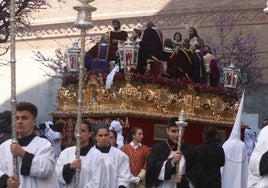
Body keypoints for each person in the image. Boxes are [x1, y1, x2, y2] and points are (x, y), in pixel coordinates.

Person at [0, 102, 59, 188]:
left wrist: (23, 154)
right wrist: (6, 180)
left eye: (24, 118)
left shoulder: (44, 145)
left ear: (34, 121)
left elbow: (47, 169)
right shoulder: (4, 146)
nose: (19, 121)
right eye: (17, 118)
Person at [146, 117, 195, 188]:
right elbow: (151, 171)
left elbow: (196, 174)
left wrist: (183, 179)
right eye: (173, 131)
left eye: (179, 131)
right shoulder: (158, 149)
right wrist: (171, 162)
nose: (177, 135)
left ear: (183, 131)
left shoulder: (191, 150)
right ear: (167, 131)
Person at [84, 124, 131, 188]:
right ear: (95, 137)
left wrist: (122, 185)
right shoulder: (88, 155)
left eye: (106, 135)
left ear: (109, 136)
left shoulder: (120, 155)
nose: (103, 138)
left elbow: (124, 176)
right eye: (100, 135)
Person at [55, 119, 94, 188]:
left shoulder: (96, 154)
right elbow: (57, 173)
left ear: (90, 133)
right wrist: (69, 167)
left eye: (83, 131)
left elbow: (99, 179)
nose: (78, 134)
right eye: (76, 131)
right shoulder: (66, 152)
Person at [221, 91, 248, 188]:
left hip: (225, 179)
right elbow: (245, 168)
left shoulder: (226, 145)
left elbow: (221, 166)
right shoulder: (242, 145)